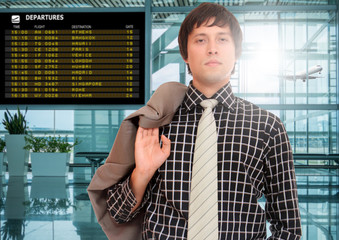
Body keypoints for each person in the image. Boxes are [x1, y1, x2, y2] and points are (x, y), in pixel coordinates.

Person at [88, 2, 302, 240]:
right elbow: (117, 213)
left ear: (237, 51)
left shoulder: (268, 127)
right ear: (185, 54)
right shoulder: (156, 123)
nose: (212, 49)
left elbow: (288, 227)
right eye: (201, 40)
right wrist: (143, 172)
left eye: (222, 39)